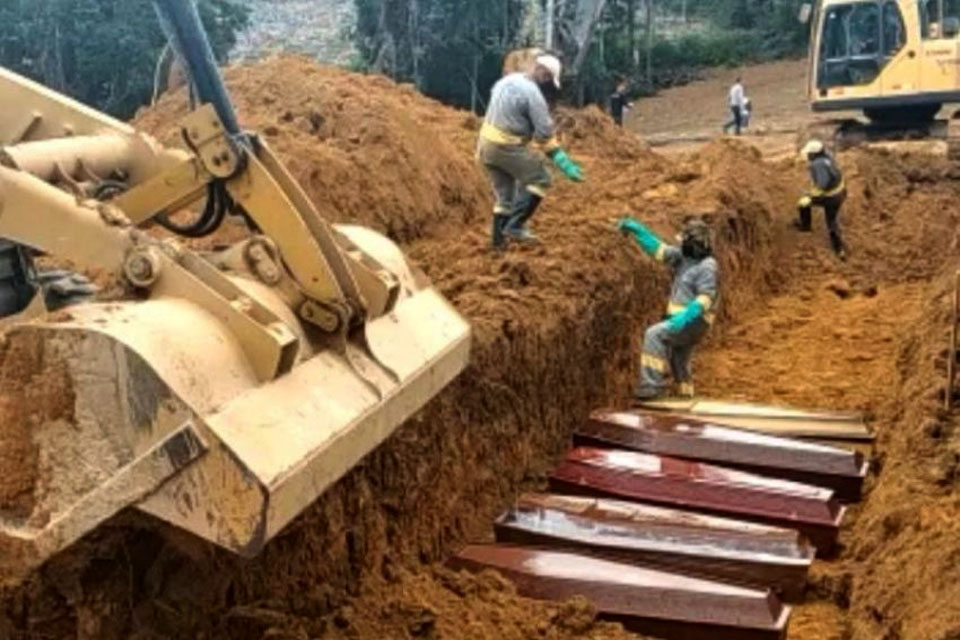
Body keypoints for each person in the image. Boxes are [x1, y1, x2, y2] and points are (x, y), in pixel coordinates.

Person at [477, 54, 585, 250]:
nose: (548, 85)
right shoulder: (533, 95)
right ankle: (516, 225)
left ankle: (498, 246)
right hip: (504, 145)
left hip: (485, 146)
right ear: (544, 74)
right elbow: (544, 134)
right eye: (548, 80)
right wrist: (563, 161)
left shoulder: (507, 81)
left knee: (505, 197)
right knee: (541, 179)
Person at [617, 215, 720, 400]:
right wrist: (638, 231)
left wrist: (685, 318)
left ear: (693, 245)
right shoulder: (684, 257)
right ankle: (685, 395)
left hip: (694, 321)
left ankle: (651, 386)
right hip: (687, 320)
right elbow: (660, 250)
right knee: (679, 358)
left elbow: (705, 298)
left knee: (654, 335)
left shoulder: (708, 266)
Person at [796, 139, 847, 260]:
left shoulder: (817, 164)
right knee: (832, 221)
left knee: (803, 203)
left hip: (830, 197)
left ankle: (805, 227)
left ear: (813, 154)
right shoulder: (827, 158)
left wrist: (811, 196)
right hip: (840, 192)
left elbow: (823, 184)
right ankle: (840, 250)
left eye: (809, 153)